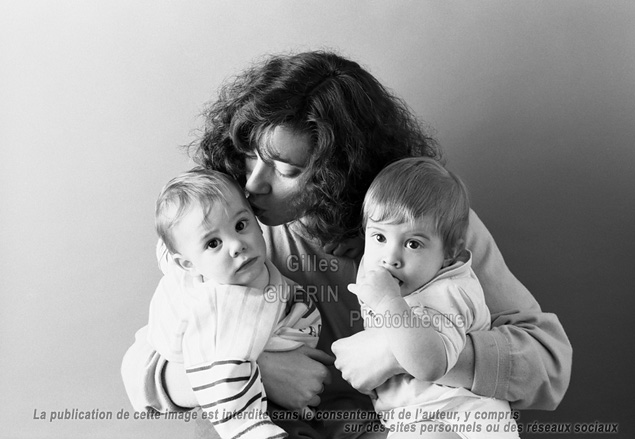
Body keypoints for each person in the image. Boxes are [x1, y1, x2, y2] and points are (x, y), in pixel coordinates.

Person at [121, 51, 572, 439]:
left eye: (286, 170)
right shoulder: (236, 238)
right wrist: (255, 373)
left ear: (339, 170)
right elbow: (140, 370)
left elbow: (548, 364)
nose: (253, 184)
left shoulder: (429, 231)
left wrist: (405, 352)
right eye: (251, 155)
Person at [346, 157, 519, 438]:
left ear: (450, 252)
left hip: (459, 424)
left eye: (413, 244)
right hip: (417, 420)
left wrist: (387, 303)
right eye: (379, 238)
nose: (390, 258)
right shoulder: (395, 273)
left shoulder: (449, 294)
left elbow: (429, 365)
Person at [147, 168, 321, 439]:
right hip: (245, 405)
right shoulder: (217, 305)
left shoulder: (252, 268)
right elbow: (223, 382)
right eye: (213, 243)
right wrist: (250, 428)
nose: (237, 245)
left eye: (241, 226)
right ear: (189, 264)